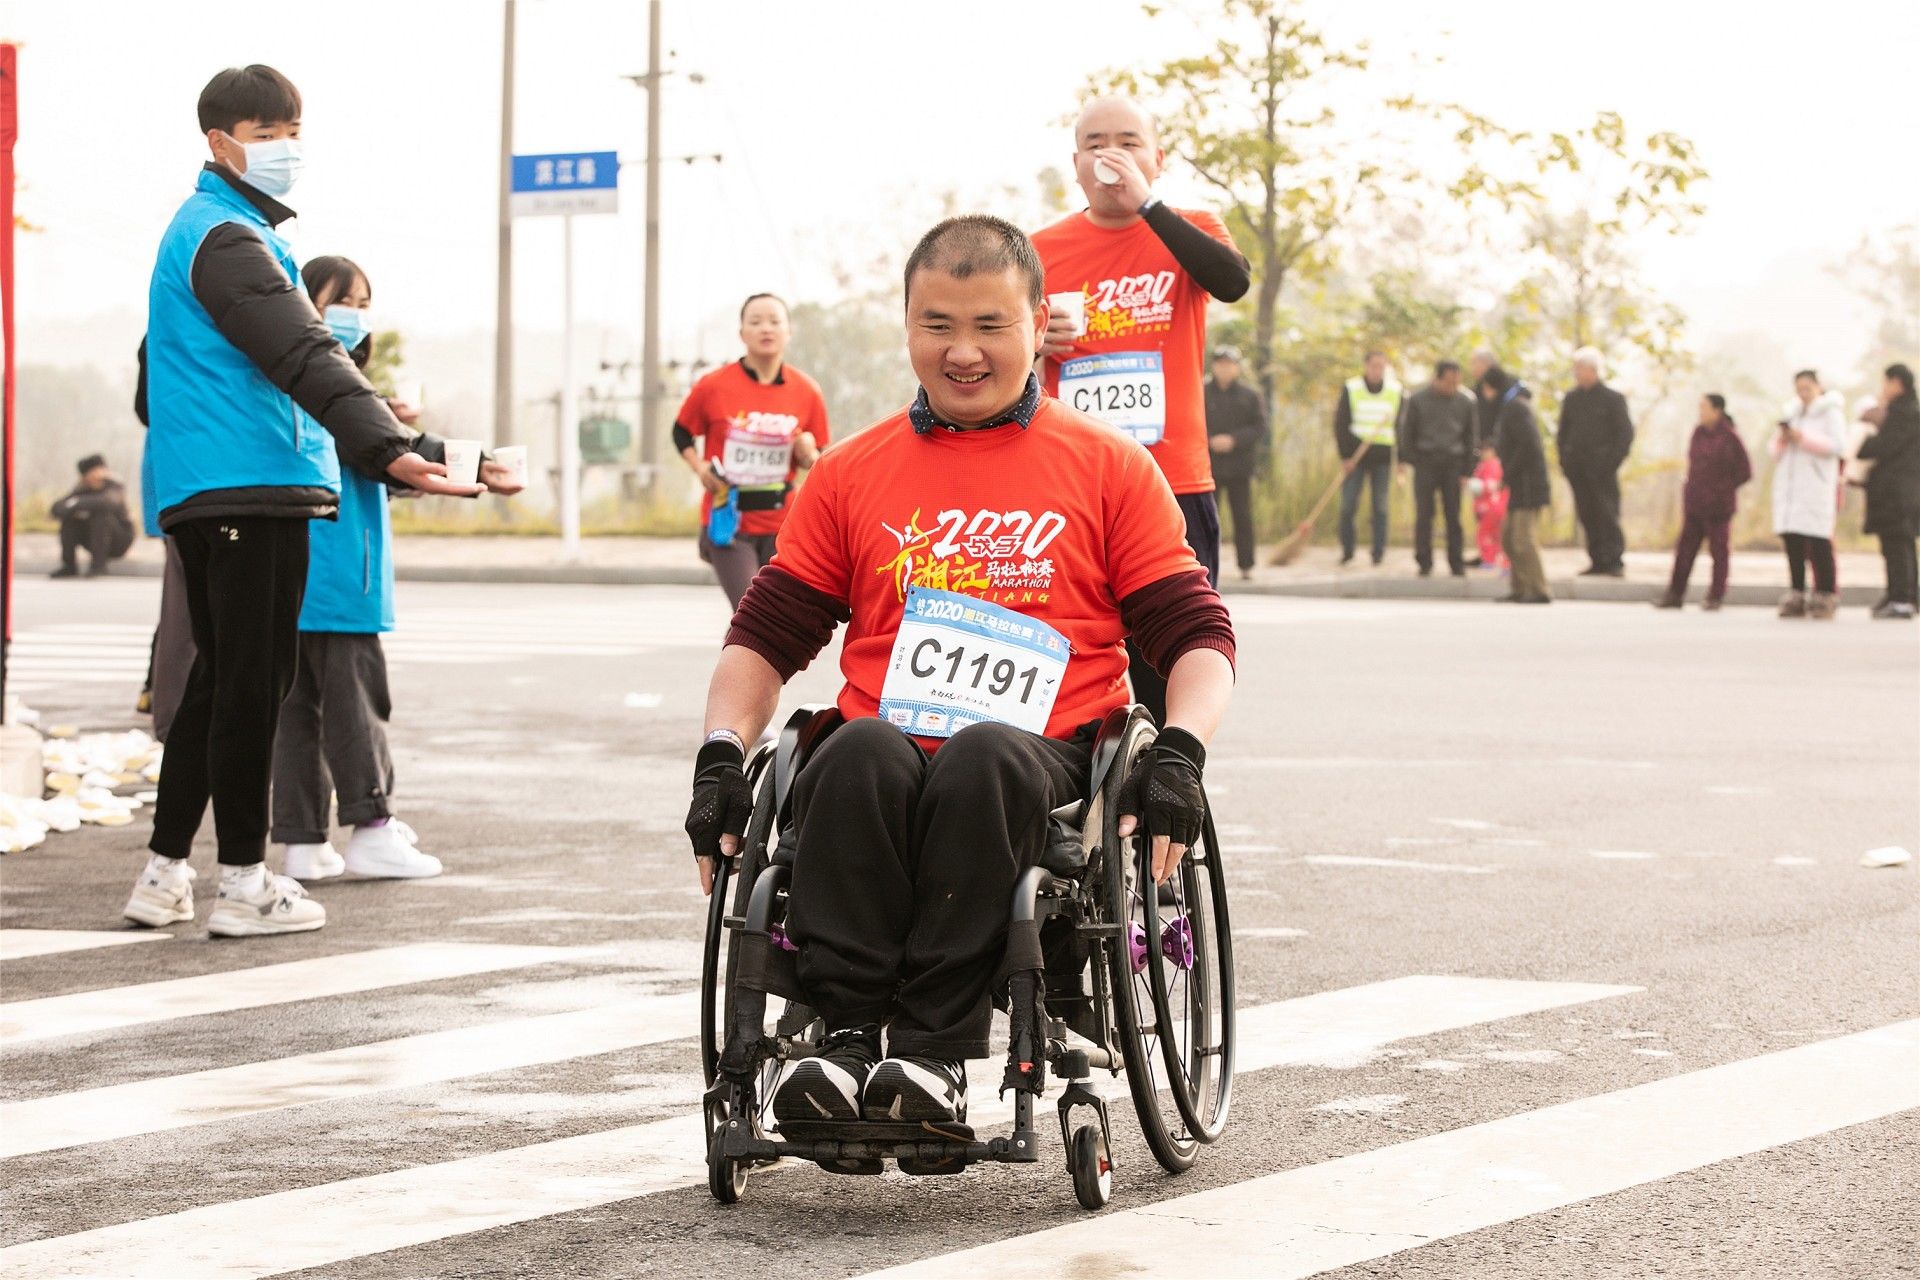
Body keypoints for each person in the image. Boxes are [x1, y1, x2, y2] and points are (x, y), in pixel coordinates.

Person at [685, 215, 1235, 1126]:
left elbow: (1196, 635)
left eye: (990, 326)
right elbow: (765, 636)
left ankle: (932, 1052)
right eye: (937, 326)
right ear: (907, 326)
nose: (963, 352)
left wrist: (1180, 750)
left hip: (1043, 756)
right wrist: (717, 756)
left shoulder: (1110, 467)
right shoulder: (851, 473)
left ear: (1039, 323)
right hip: (887, 749)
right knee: (854, 749)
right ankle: (843, 1039)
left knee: (984, 755)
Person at [123, 65, 484, 941]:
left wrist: (409, 448)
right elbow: (307, 354)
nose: (286, 148)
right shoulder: (225, 238)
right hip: (250, 488)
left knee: (218, 682)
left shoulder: (212, 233)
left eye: (292, 131)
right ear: (220, 143)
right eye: (267, 133)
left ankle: (164, 873)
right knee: (253, 687)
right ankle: (245, 883)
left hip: (216, 490)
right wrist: (390, 450)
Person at [271, 256, 512, 881]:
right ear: (303, 304)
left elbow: (381, 458)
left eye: (362, 304)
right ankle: (372, 828)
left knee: (297, 710)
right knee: (356, 705)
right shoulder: (333, 388)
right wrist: (478, 465)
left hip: (291, 573)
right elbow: (389, 450)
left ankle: (302, 841)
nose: (354, 315)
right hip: (341, 573)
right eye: (341, 300)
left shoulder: (283, 378)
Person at [1032, 95, 1249, 722]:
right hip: (1071, 485)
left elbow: (1233, 283)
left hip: (1173, 479)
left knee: (1174, 654)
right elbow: (992, 354)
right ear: (1076, 164)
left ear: (1158, 158)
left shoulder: (1191, 228)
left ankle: (1169, 771)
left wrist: (1147, 206)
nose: (1111, 155)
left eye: (1128, 142)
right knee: (1071, 660)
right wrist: (1033, 341)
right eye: (1095, 144)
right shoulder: (1038, 249)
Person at [673, 293, 829, 609]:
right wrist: (700, 467)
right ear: (742, 333)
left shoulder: (807, 391)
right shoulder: (713, 386)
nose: (765, 328)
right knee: (750, 609)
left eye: (774, 321)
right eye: (755, 322)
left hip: (784, 524)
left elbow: (819, 458)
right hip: (729, 518)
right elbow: (681, 432)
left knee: (774, 619)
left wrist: (807, 453)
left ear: (788, 332)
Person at [1655, 395, 1752, 611]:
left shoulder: (1730, 437)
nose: (1700, 411)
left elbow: (1745, 471)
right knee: (1684, 551)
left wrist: (1723, 488)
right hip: (1695, 504)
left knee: (1719, 553)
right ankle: (1675, 594)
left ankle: (1715, 596)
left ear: (1717, 410)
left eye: (1704, 407)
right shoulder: (1698, 433)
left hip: (1719, 507)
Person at [1770, 369, 1847, 619]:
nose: (1803, 394)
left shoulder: (1830, 412)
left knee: (1818, 541)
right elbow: (1774, 450)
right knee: (1792, 539)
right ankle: (1797, 592)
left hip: (1815, 486)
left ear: (1817, 387)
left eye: (1807, 388)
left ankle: (1825, 594)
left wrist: (1803, 438)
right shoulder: (1791, 412)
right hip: (1791, 487)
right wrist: (1784, 438)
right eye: (1799, 389)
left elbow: (1838, 445)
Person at [1557, 347, 1635, 577]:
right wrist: (1566, 462)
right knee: (1587, 515)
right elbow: (1563, 434)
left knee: (1607, 514)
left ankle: (1614, 561)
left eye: (1580, 368)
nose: (1576, 373)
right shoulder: (1572, 399)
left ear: (1593, 370)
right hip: (1578, 470)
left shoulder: (1613, 399)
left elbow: (1625, 435)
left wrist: (1610, 463)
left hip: (1603, 470)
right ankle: (1597, 560)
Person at [1479, 364, 1551, 603]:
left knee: (1523, 539)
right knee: (1508, 538)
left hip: (1529, 484)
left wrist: (1508, 473)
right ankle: (1520, 587)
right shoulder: (1509, 406)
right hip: (1517, 484)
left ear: (1493, 387)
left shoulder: (1517, 407)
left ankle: (1538, 589)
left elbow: (1528, 445)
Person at [1400, 360, 1477, 576]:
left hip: (1454, 464)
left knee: (1453, 514)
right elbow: (1407, 433)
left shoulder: (1466, 401)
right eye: (1448, 382)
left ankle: (1456, 561)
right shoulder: (1417, 400)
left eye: (1456, 382)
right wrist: (1413, 459)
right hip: (1426, 462)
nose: (1452, 387)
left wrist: (1467, 470)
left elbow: (1472, 437)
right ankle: (1424, 561)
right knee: (1425, 514)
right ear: (1437, 379)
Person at [1857, 363, 1920, 620]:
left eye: (1886, 382)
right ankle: (1900, 595)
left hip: (1897, 492)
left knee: (1897, 545)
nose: (1883, 388)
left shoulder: (1902, 413)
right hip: (1903, 490)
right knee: (1899, 544)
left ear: (1897, 383)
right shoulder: (1908, 411)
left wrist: (1866, 439)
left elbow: (1883, 446)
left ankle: (1901, 598)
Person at [1332, 351, 1402, 567]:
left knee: (1380, 506)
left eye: (1381, 366)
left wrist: (1401, 461)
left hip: (1382, 456)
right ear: (1366, 366)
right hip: (1356, 456)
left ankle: (1378, 552)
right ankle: (1347, 550)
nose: (1377, 370)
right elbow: (1341, 423)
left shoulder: (1395, 391)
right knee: (1348, 504)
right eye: (1373, 366)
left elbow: (1401, 427)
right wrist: (1345, 456)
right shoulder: (1352, 388)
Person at [1203, 344, 1266, 580]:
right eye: (1221, 364)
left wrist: (1234, 440)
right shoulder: (1201, 393)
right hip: (1209, 467)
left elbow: (1259, 427)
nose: (1225, 369)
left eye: (1229, 365)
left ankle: (1246, 565)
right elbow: (1191, 422)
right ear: (1213, 366)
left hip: (1240, 467)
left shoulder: (1250, 396)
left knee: (1243, 517)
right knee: (1208, 520)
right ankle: (1206, 567)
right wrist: (1210, 440)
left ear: (1237, 368)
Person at [49, 455, 135, 578]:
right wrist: (74, 506)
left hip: (119, 540)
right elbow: (57, 508)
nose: (97, 475)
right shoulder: (82, 489)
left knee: (101, 516)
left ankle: (98, 566)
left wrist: (76, 503)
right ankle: (69, 566)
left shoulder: (115, 486)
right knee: (69, 520)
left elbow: (106, 502)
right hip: (93, 540)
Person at [1469, 440, 1508, 571]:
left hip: (1492, 508)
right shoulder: (1483, 465)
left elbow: (1492, 485)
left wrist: (1475, 485)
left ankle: (1489, 560)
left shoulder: (1493, 465)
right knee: (1495, 534)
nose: (1483, 454)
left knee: (1486, 534)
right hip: (1486, 507)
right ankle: (1497, 561)